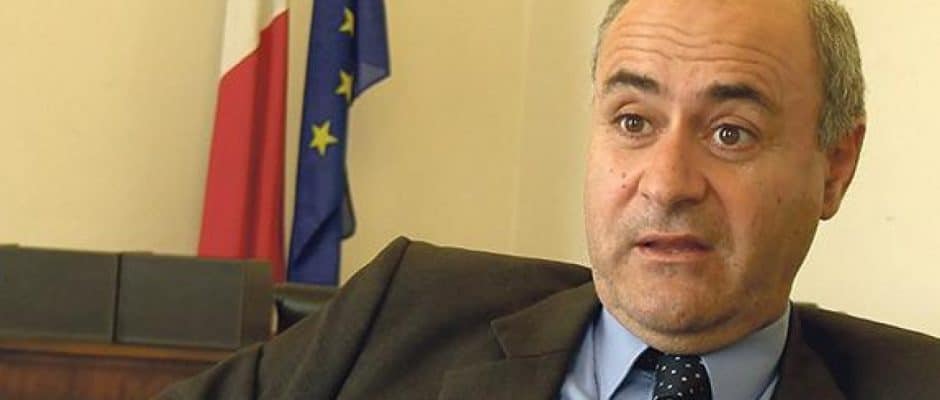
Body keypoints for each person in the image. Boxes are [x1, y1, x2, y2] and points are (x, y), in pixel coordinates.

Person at [158, 0, 940, 398]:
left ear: (835, 167)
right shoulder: (402, 315)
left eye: (730, 133)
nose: (666, 183)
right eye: (633, 122)